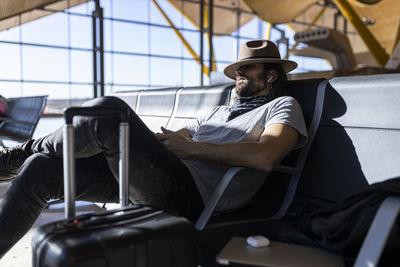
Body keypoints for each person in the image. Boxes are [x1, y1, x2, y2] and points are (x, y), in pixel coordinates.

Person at [0, 40, 307, 257]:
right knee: (42, 168)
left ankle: (14, 156)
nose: (238, 73)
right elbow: (175, 139)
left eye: (247, 67)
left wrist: (191, 149)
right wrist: (132, 142)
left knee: (108, 111)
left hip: (194, 195)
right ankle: (24, 157)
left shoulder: (283, 106)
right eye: (238, 68)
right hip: (161, 178)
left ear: (269, 75)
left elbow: (266, 156)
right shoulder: (220, 111)